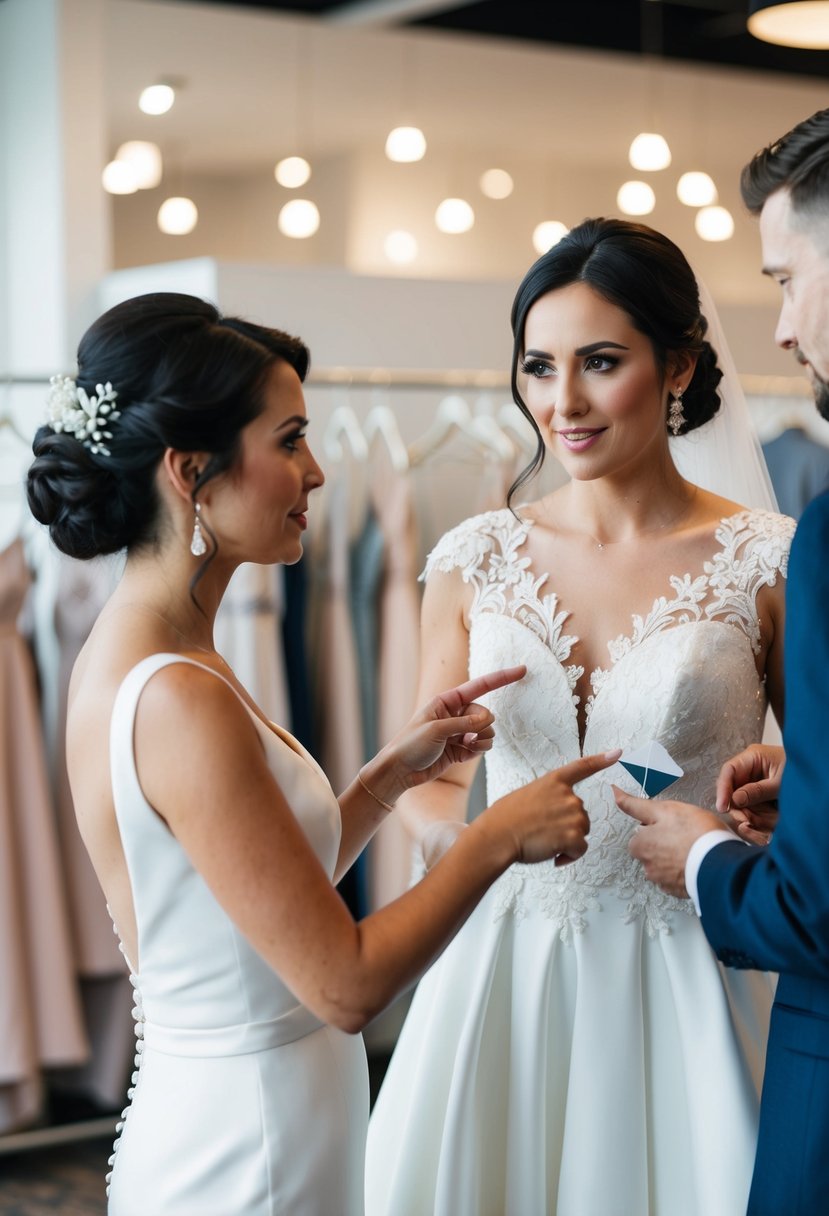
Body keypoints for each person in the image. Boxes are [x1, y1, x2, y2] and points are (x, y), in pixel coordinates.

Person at [25, 292, 619, 1216]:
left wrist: (384, 783)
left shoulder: (149, 651)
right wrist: (493, 837)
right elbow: (344, 983)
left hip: (256, 1114)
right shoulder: (178, 695)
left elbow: (242, 911)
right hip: (246, 1152)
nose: (318, 472)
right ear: (191, 472)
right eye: (291, 440)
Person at [364, 217, 795, 1216]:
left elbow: (816, 770)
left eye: (600, 363)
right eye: (538, 366)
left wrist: (777, 785)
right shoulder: (472, 558)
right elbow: (431, 784)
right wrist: (467, 839)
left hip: (693, 961)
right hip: (504, 964)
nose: (562, 403)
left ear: (679, 364)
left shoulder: (768, 559)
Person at [614, 109, 829, 1216]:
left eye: (788, 277)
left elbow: (816, 908)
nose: (784, 327)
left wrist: (703, 857)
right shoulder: (476, 555)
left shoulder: (803, 541)